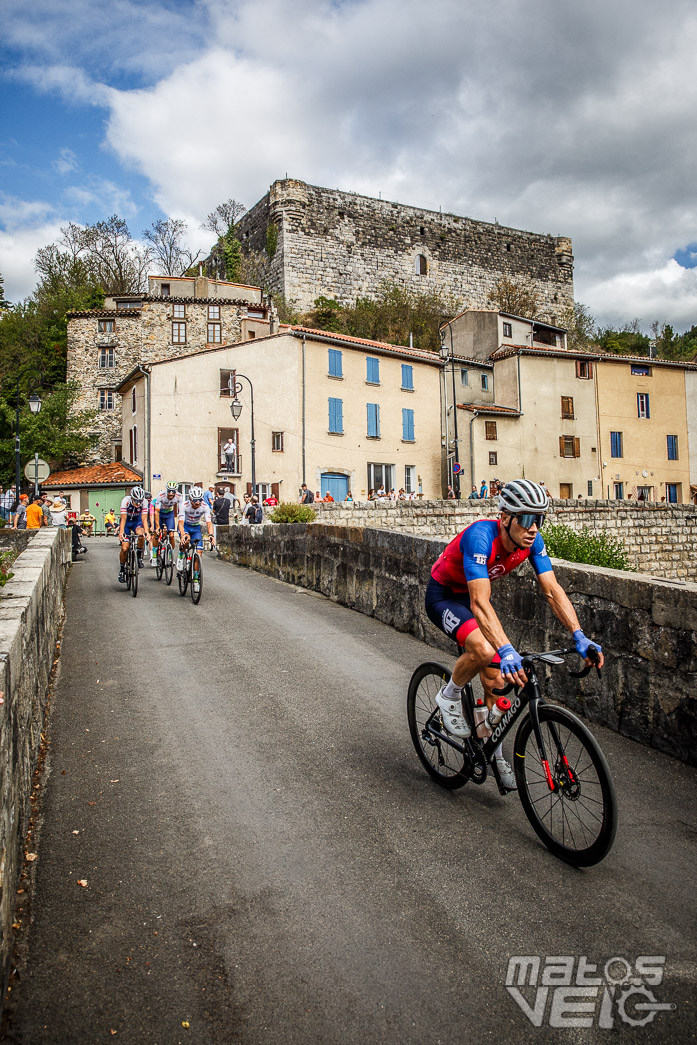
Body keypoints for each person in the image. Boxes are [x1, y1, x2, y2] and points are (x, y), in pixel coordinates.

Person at [424, 479, 603, 792]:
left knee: (495, 682)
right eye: (528, 519)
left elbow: (552, 590)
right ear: (505, 517)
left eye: (540, 519)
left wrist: (579, 635)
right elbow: (479, 602)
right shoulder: (482, 536)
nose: (534, 527)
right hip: (446, 596)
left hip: (473, 598)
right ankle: (449, 695)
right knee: (483, 649)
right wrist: (506, 650)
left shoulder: (531, 541)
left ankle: (493, 752)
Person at [177, 486, 214, 570]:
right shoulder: (184, 505)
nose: (197, 503)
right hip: (185, 526)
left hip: (196, 528)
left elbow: (209, 523)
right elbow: (180, 523)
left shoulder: (205, 506)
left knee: (199, 552)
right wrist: (183, 534)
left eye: (200, 500)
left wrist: (211, 535)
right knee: (186, 540)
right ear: (190, 499)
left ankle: (196, 578)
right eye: (195, 500)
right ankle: (180, 556)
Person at [117, 486, 150, 583]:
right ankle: (122, 570)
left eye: (140, 501)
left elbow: (144, 519)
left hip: (137, 521)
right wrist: (121, 532)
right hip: (126, 522)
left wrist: (147, 532)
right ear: (132, 498)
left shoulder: (144, 502)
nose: (138, 503)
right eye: (136, 501)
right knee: (124, 547)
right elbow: (123, 518)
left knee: (141, 535)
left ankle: (139, 557)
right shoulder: (125, 501)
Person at [154, 482, 182, 561]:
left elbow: (181, 512)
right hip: (160, 514)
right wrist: (157, 527)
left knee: (172, 535)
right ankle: (154, 555)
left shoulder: (179, 496)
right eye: (169, 491)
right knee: (156, 533)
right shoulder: (161, 495)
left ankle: (171, 555)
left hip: (169, 514)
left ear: (175, 492)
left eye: (173, 492)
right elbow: (156, 512)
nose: (170, 494)